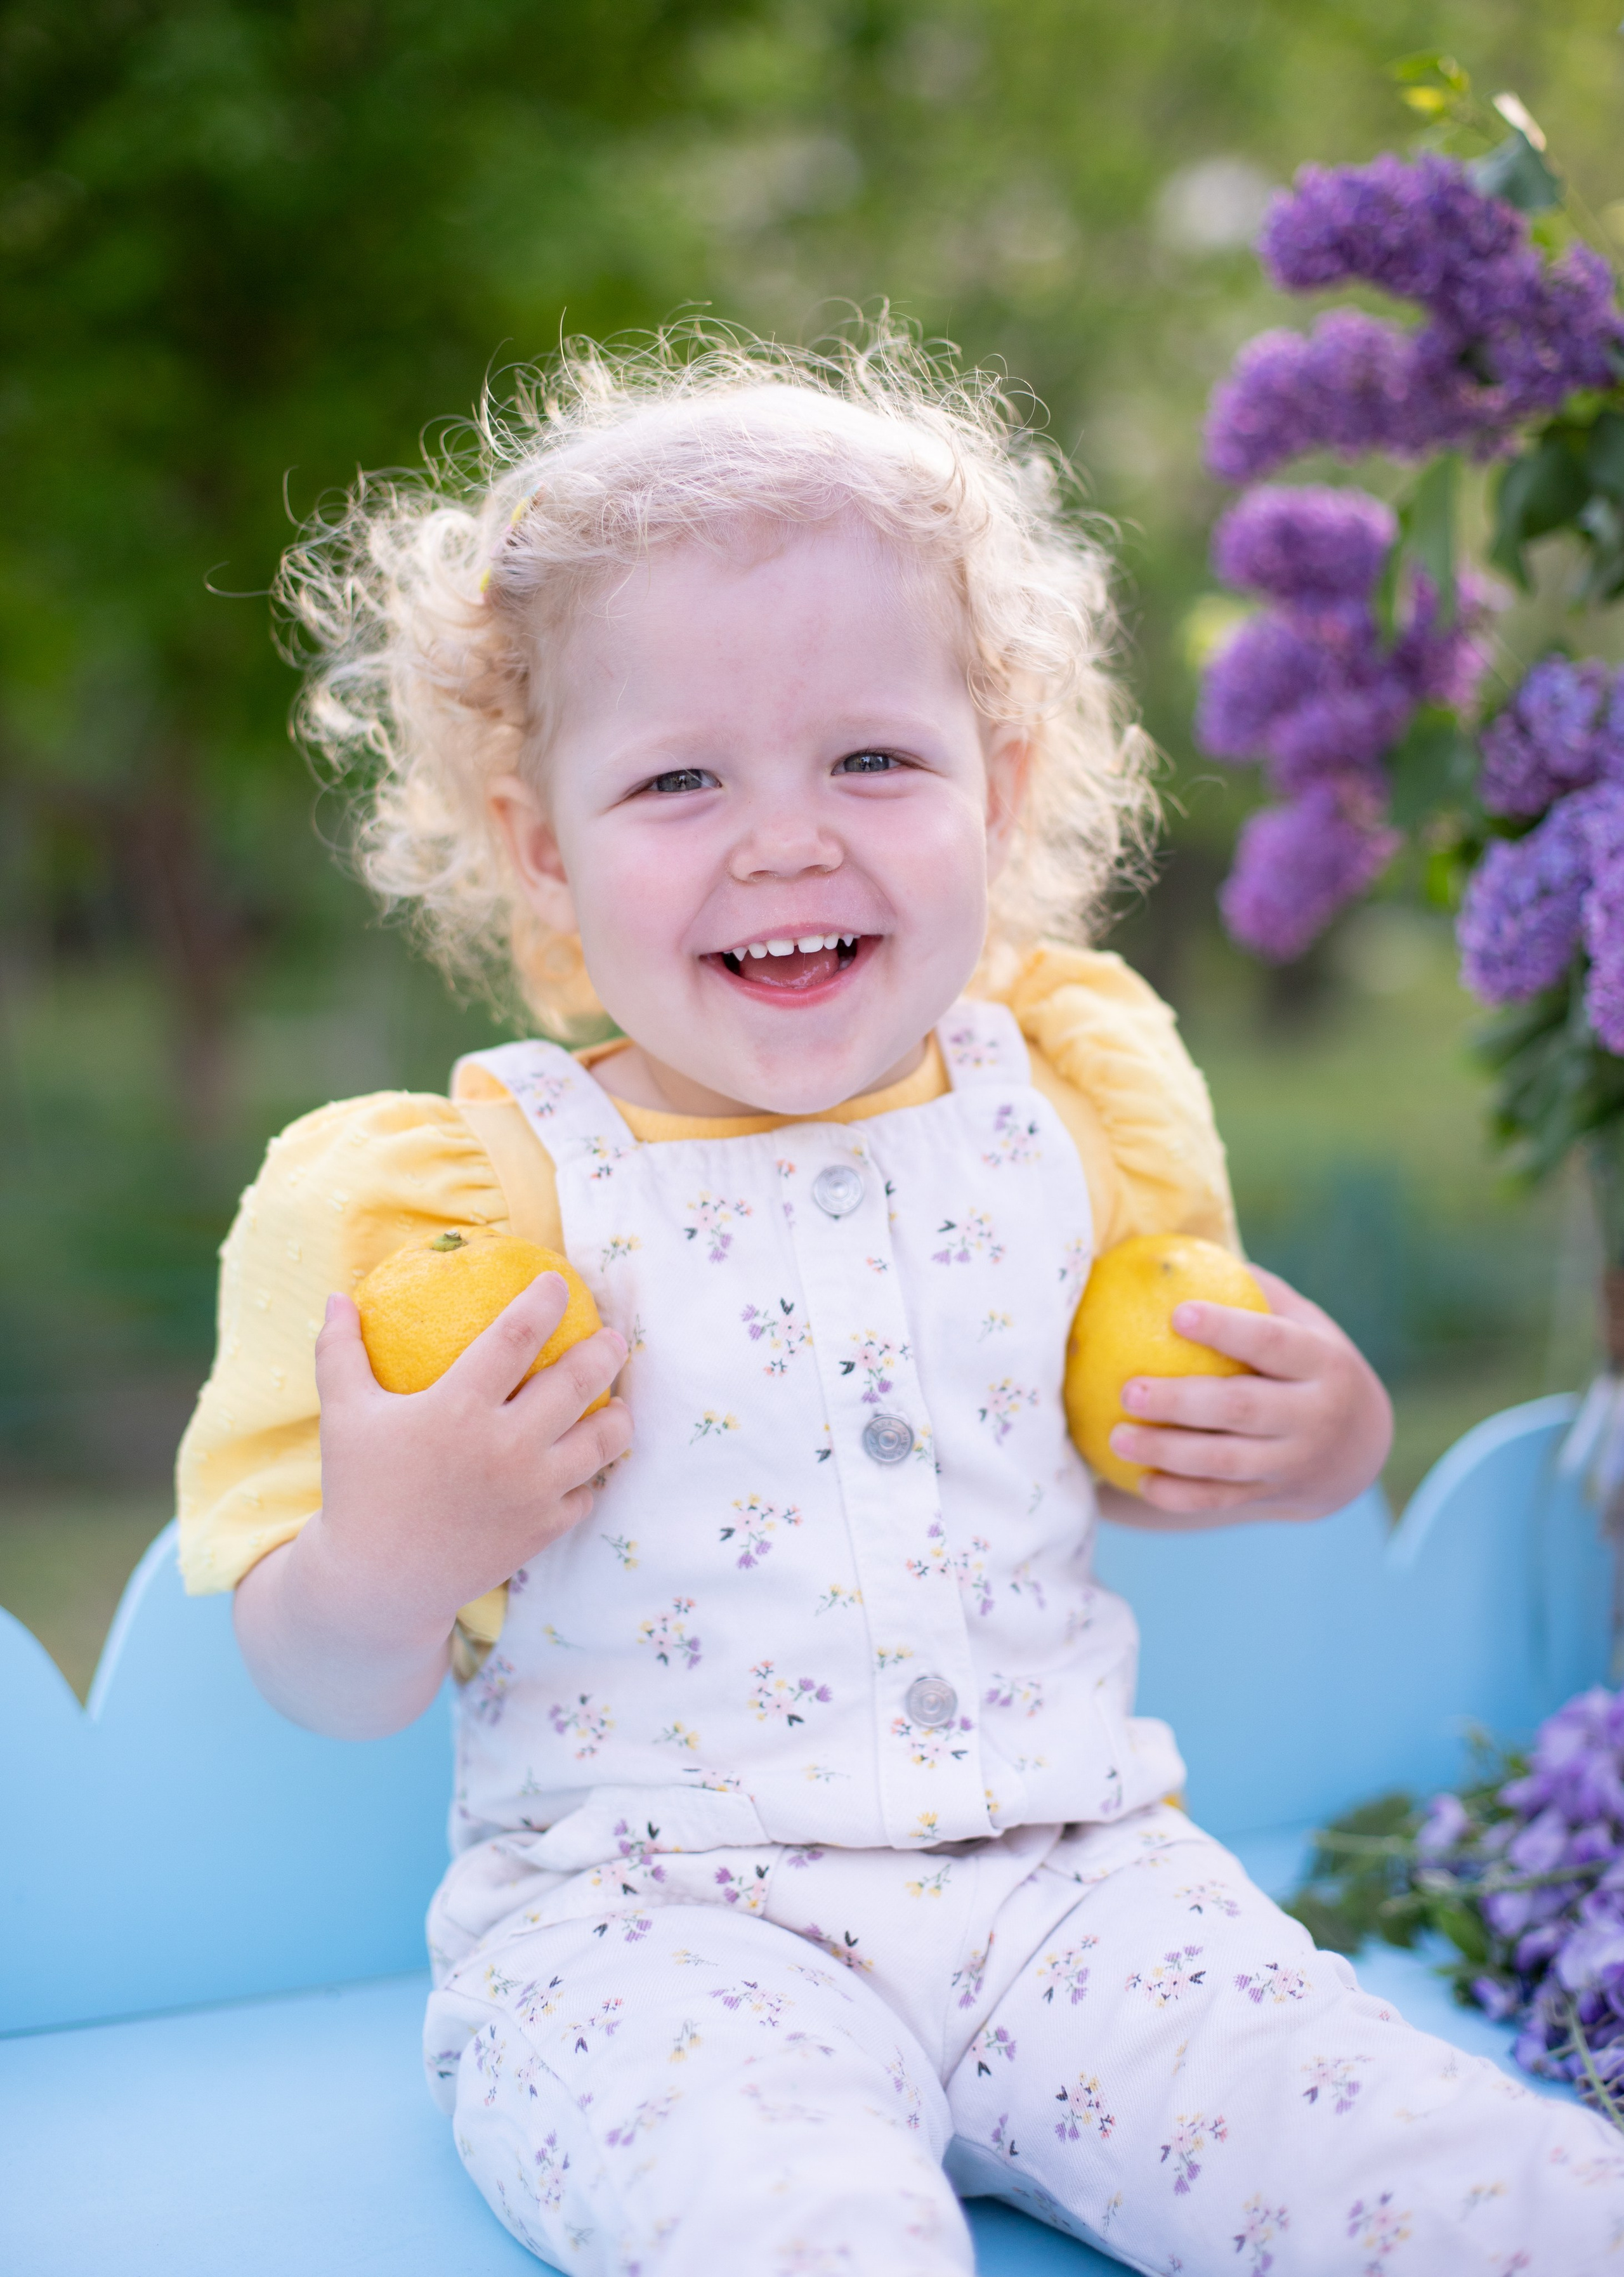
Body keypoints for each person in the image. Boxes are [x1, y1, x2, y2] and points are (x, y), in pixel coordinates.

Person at [178, 329, 1624, 2276]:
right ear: (541, 843)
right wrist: (388, 1555)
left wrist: (1323, 1436)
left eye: (874, 756)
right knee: (799, 2234)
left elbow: (1156, 1438)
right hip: (652, 1942)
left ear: (1003, 787)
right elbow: (316, 1672)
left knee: (1459, 2180)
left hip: (1080, 1895)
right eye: (680, 777)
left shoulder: (1069, 1106)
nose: (790, 835)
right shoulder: (469, 1203)